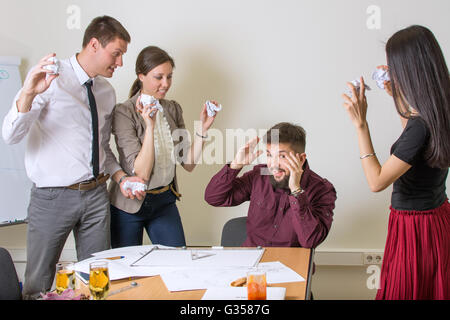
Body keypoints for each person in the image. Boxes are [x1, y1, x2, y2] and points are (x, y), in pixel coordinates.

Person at [2, 16, 144, 299]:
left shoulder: (106, 91)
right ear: (94, 44)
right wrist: (29, 92)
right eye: (116, 54)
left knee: (98, 280)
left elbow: (103, 150)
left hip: (96, 196)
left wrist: (121, 177)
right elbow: (10, 135)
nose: (120, 63)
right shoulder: (50, 79)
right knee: (38, 283)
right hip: (52, 198)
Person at [341, 25, 450, 300]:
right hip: (437, 219)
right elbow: (412, 148)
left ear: (409, 69)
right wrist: (398, 97)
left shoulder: (420, 126)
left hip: (414, 230)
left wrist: (360, 124)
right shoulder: (439, 110)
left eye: (394, 66)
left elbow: (376, 181)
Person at [109, 46, 219, 248]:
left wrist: (203, 128)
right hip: (128, 205)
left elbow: (188, 163)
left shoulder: (172, 108)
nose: (165, 84)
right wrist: (149, 126)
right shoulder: (124, 112)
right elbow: (140, 172)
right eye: (158, 77)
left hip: (164, 201)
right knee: (126, 272)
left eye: (169, 77)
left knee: (177, 264)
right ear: (141, 76)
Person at [204, 122, 336, 248]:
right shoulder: (261, 174)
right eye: (269, 155)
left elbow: (311, 241)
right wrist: (235, 166)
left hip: (292, 264)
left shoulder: (322, 189)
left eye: (282, 156)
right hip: (251, 260)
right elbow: (213, 198)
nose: (273, 164)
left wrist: (296, 191)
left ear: (300, 159)